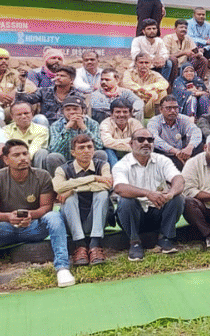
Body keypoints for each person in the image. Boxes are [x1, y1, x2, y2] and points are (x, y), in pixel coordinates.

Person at [0, 140, 75, 299]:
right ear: (6, 159)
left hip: (33, 228)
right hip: (5, 230)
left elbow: (46, 207)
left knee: (54, 215)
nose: (23, 158)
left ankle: (62, 268)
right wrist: (8, 217)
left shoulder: (42, 175)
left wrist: (30, 216)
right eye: (16, 155)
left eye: (25, 154)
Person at [112, 128, 184, 261]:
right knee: (126, 201)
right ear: (131, 144)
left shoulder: (162, 160)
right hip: (134, 216)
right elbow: (119, 188)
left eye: (150, 140)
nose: (146, 143)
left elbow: (179, 179)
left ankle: (165, 239)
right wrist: (148, 193)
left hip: (157, 210)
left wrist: (170, 193)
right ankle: (134, 243)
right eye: (140, 139)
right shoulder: (121, 165)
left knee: (178, 198)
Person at [53, 133, 112, 267]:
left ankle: (95, 244)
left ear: (94, 150)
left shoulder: (103, 165)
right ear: (73, 152)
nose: (86, 151)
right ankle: (80, 245)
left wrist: (73, 188)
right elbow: (58, 187)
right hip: (72, 220)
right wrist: (93, 178)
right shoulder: (62, 169)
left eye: (89, 147)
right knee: (68, 198)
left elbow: (107, 184)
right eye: (81, 148)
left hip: (96, 217)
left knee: (102, 193)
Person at [46, 95, 104, 175]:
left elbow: (98, 146)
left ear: (83, 110)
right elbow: (53, 149)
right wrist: (67, 128)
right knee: (53, 157)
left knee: (101, 153)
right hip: (66, 163)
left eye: (75, 109)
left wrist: (84, 128)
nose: (72, 112)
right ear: (63, 112)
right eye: (68, 110)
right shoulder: (56, 125)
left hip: (87, 161)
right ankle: (58, 182)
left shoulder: (93, 124)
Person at [147, 95, 202, 170]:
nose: (173, 111)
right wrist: (175, 151)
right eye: (168, 108)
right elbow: (154, 138)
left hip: (183, 152)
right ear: (160, 110)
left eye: (175, 108)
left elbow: (196, 131)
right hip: (163, 154)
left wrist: (190, 147)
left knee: (200, 144)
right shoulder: (154, 121)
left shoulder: (183, 119)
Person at [18, 64, 82, 126]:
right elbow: (26, 100)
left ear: (71, 80)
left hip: (66, 127)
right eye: (57, 75)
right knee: (39, 118)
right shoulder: (44, 91)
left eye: (62, 76)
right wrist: (22, 84)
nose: (57, 78)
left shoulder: (77, 96)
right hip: (46, 126)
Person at [3, 101, 56, 171]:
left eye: (26, 113)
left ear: (32, 114)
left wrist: (23, 159)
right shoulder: (5, 130)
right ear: (12, 117)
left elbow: (35, 148)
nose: (23, 116)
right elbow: (7, 150)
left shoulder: (41, 130)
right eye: (19, 114)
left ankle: (38, 178)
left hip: (33, 161)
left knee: (42, 152)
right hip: (13, 161)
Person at [122, 53, 170, 118]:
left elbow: (165, 83)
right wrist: (143, 90)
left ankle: (159, 116)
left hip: (149, 102)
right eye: (141, 63)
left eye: (146, 63)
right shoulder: (129, 72)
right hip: (134, 103)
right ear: (136, 64)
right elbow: (126, 83)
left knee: (163, 92)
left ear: (150, 64)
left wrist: (149, 88)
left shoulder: (154, 74)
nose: (144, 65)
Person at [100, 99, 143, 163]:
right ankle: (116, 171)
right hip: (114, 154)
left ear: (130, 113)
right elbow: (106, 142)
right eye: (118, 112)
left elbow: (141, 141)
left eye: (125, 112)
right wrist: (129, 142)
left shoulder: (135, 123)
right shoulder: (106, 123)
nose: (122, 115)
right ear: (111, 114)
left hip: (130, 154)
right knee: (108, 150)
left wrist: (115, 142)